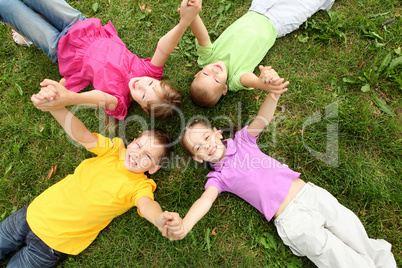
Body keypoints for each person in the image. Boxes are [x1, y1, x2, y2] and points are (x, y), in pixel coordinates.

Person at [171, 72, 396, 267]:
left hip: (310, 194)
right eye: (199, 147)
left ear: (218, 133)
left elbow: (263, 119)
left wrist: (273, 95)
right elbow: (205, 201)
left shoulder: (242, 140)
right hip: (291, 219)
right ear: (197, 158)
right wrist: (186, 224)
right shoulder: (218, 177)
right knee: (332, 254)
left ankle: (382, 262)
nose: (207, 145)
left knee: (350, 229)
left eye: (207, 137)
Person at [0, 79, 183, 267]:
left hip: (53, 244)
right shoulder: (114, 149)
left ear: (153, 169)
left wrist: (160, 219)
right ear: (132, 140)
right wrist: (55, 108)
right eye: (137, 145)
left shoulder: (140, 186)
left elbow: (147, 205)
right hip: (31, 214)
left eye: (148, 156)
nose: (137, 154)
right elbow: (83, 135)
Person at [0, 0, 202, 120]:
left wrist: (71, 98)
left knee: (7, 5)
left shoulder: (120, 101)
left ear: (141, 107)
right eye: (151, 84)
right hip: (79, 25)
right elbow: (163, 48)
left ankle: (25, 36)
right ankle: (25, 35)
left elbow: (102, 100)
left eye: (142, 95)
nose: (141, 85)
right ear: (157, 79)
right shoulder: (148, 71)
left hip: (60, 47)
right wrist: (185, 21)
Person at [186, 0, 335, 107]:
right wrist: (263, 83)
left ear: (197, 73)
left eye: (205, 74)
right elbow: (252, 81)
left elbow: (202, 37)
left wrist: (193, 15)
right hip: (279, 21)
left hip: (258, 7)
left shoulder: (206, 58)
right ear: (225, 88)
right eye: (217, 81)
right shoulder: (234, 79)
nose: (214, 72)